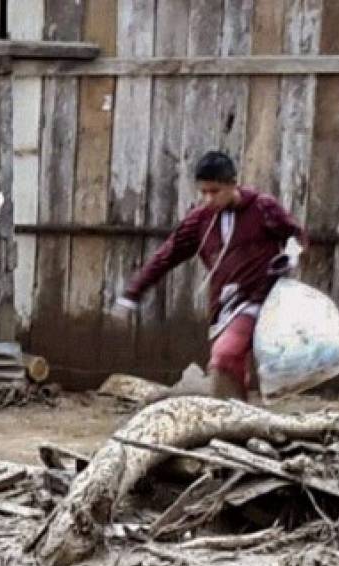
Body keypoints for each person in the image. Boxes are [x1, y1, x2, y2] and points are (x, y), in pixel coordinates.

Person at [117, 151, 307, 400]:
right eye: (203, 192)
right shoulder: (200, 221)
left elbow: (295, 234)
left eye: (215, 191)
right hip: (222, 306)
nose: (208, 198)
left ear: (232, 184)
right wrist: (133, 292)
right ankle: (238, 421)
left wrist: (290, 256)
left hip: (258, 300)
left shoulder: (262, 208)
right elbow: (167, 255)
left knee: (224, 356)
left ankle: (229, 417)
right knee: (231, 366)